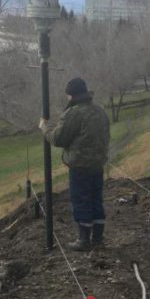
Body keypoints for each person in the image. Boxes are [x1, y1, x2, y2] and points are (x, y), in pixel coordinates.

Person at [39, 77, 110, 251]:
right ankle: (98, 238)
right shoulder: (100, 110)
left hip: (80, 167)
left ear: (71, 95)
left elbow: (58, 139)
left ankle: (84, 240)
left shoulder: (74, 113)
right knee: (96, 199)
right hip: (98, 164)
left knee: (81, 200)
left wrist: (44, 127)